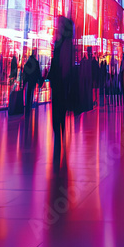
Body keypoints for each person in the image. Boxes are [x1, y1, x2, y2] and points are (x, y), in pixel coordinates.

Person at [48, 17, 74, 166]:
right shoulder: (62, 42)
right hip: (59, 84)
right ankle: (59, 139)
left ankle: (59, 140)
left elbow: (64, 65)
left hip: (60, 85)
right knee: (59, 113)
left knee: (58, 112)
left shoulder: (64, 43)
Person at [22, 50, 41, 118]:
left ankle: (27, 106)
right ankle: (29, 105)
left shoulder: (28, 62)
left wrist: (24, 81)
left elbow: (25, 71)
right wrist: (39, 80)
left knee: (28, 92)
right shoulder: (36, 62)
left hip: (28, 80)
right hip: (33, 80)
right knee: (31, 91)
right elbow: (38, 72)